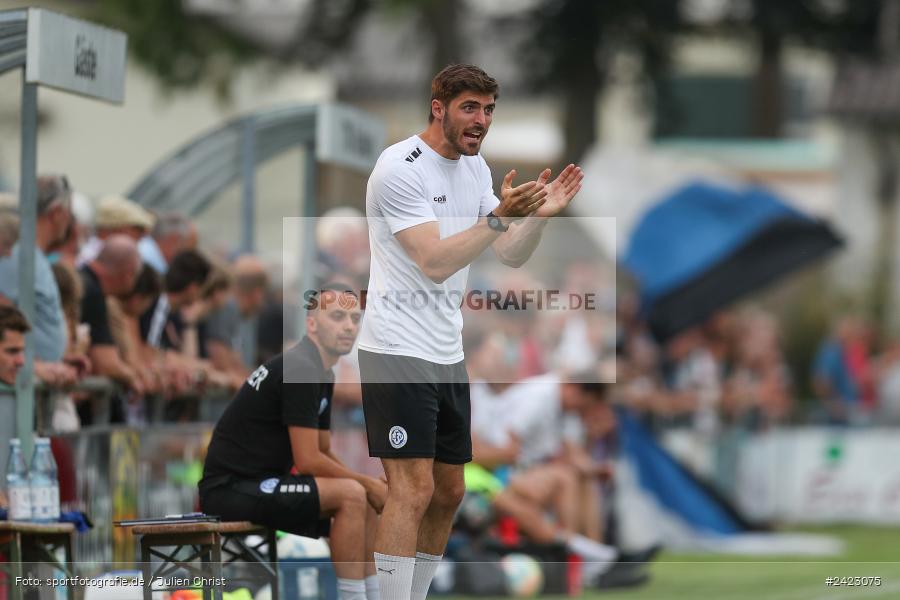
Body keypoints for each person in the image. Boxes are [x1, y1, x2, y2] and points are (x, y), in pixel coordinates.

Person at [357, 63, 584, 600]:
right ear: (439, 107)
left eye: (488, 110)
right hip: (395, 348)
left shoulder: (476, 168)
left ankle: (413, 594)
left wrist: (538, 216)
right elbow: (433, 261)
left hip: (445, 350)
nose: (481, 120)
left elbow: (505, 252)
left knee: (450, 490)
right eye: (470, 108)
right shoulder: (399, 167)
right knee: (410, 490)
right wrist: (500, 218)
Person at [200, 285, 387, 600]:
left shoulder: (323, 372)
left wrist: (369, 487)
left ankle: (374, 595)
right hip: (231, 488)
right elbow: (310, 460)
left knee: (360, 496)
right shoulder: (301, 367)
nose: (349, 326)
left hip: (263, 482)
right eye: (338, 317)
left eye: (355, 319)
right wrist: (368, 484)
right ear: (311, 324)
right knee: (354, 494)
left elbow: (324, 448)